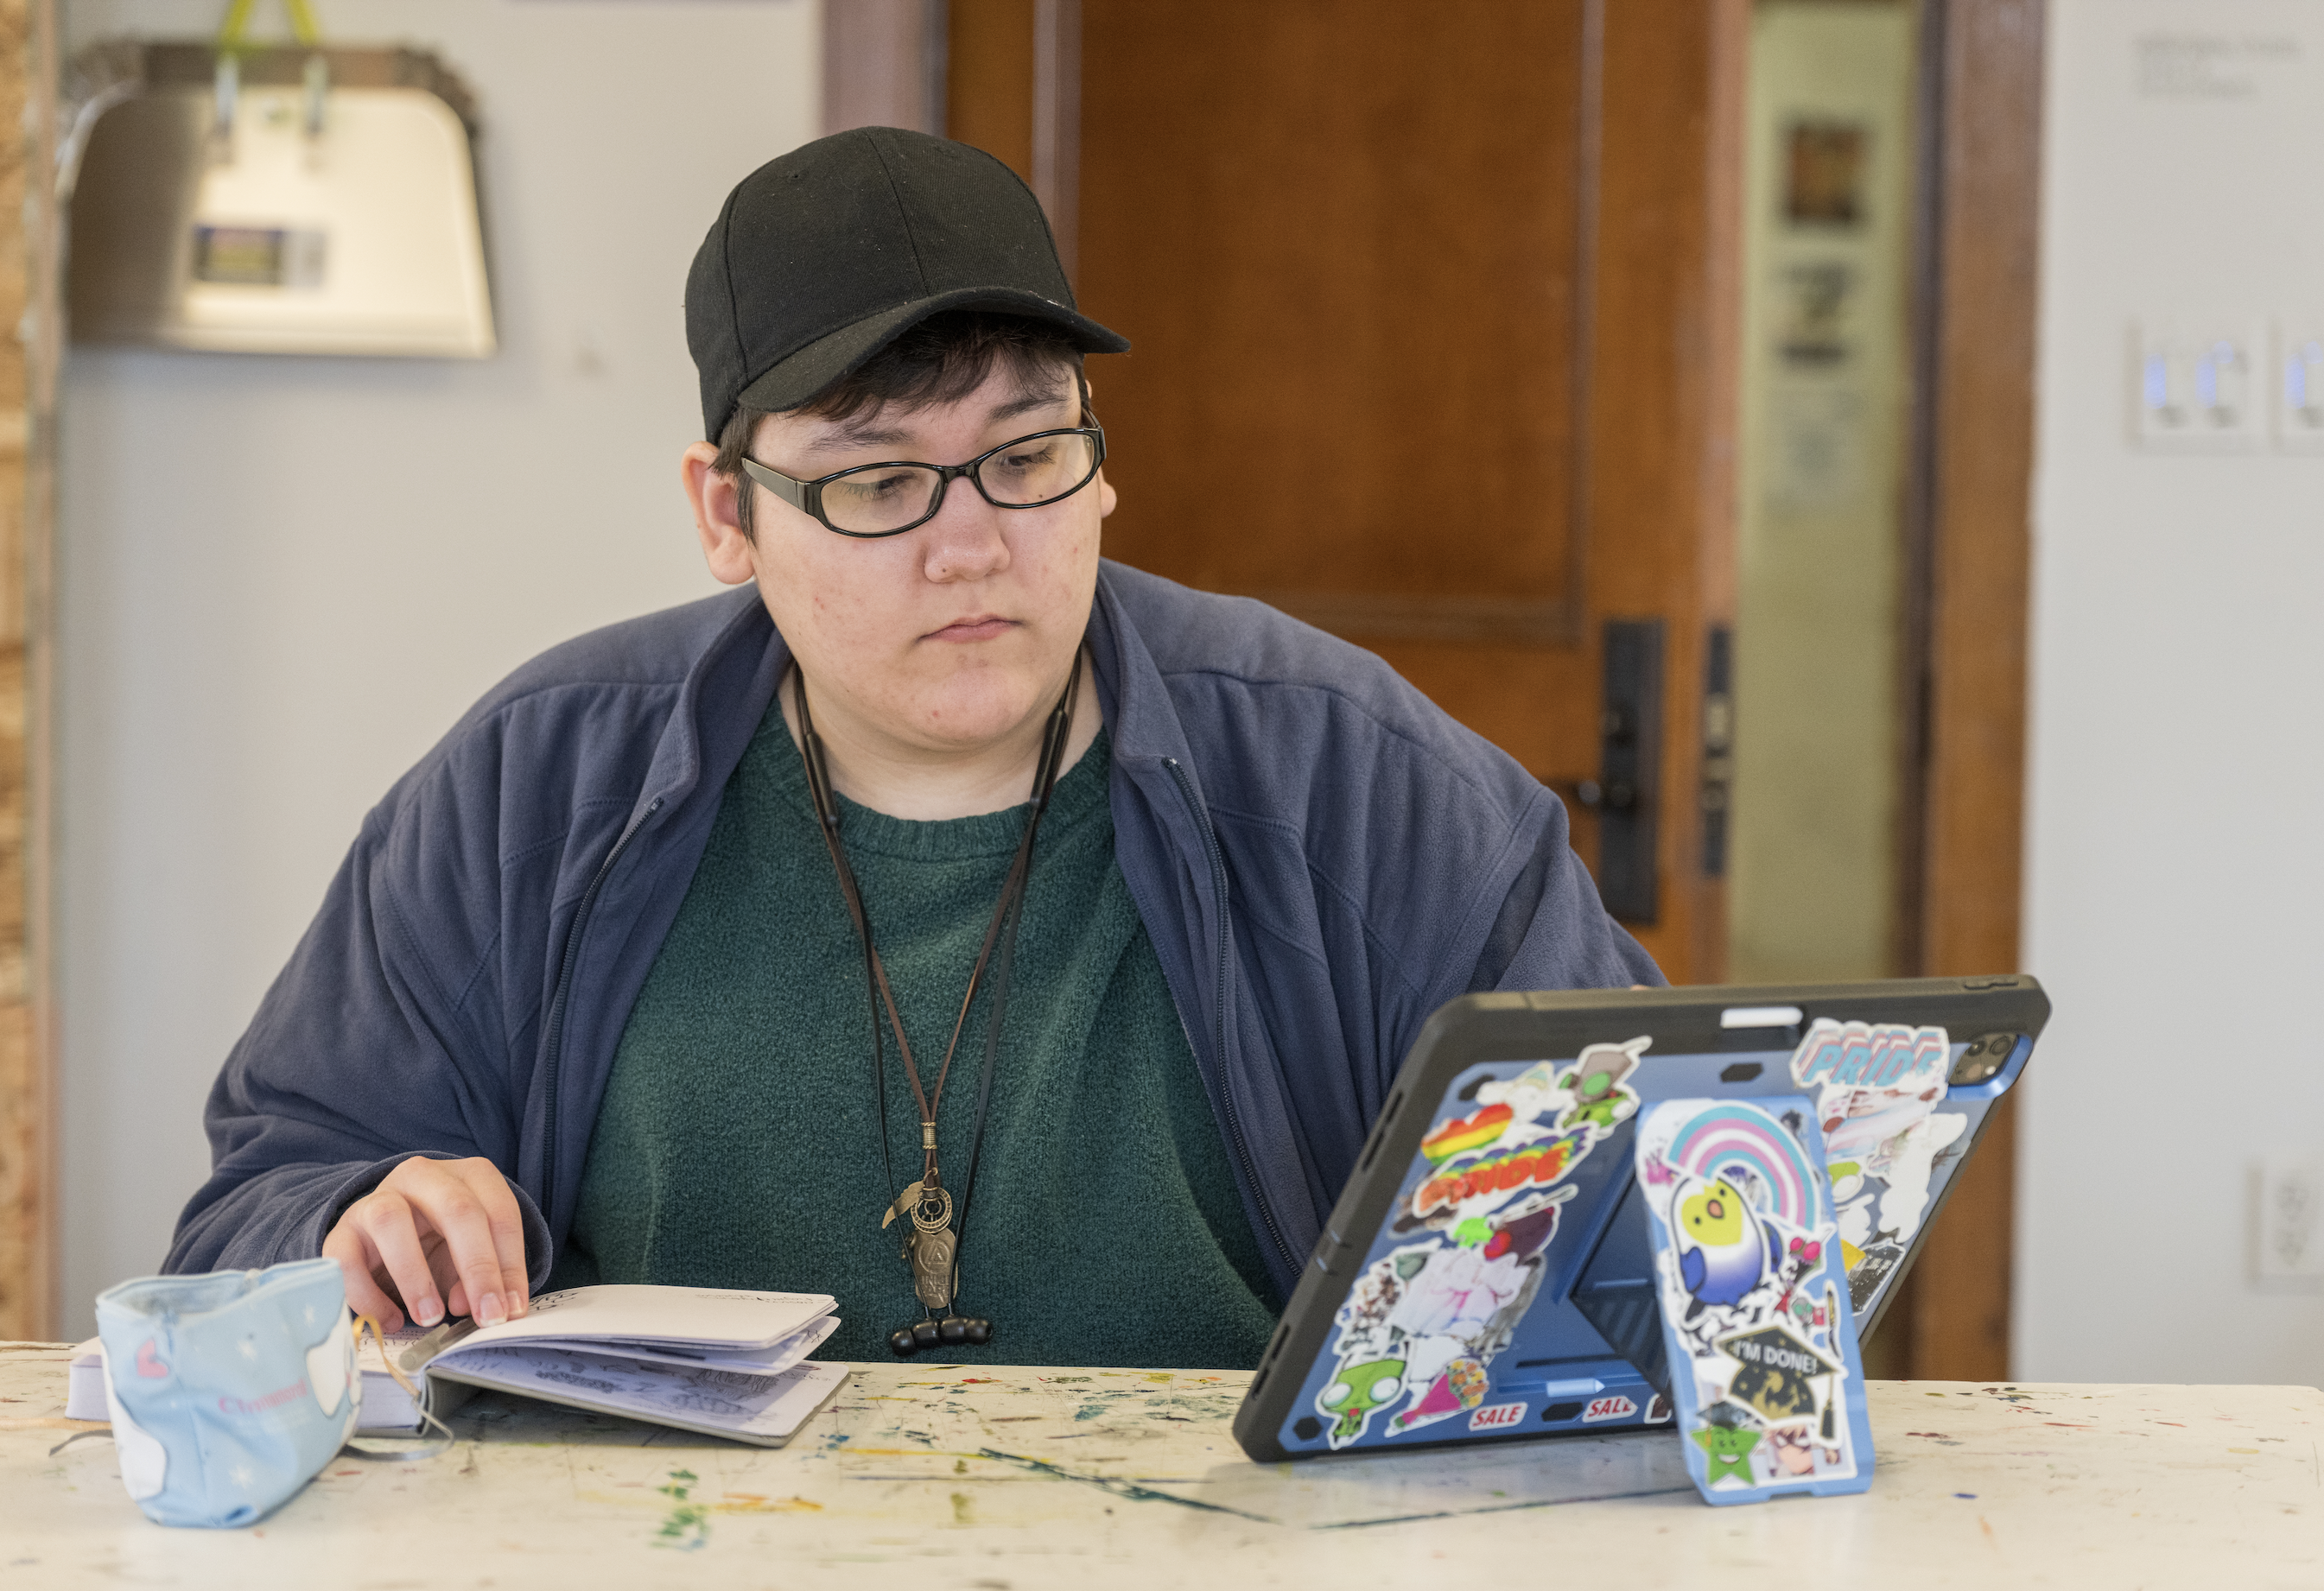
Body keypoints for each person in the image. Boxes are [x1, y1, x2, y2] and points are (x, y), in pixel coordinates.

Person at [167, 127, 1658, 1367]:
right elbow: (255, 1203)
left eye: (1024, 457)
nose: (972, 548)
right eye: (876, 482)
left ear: (1098, 463)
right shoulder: (537, 786)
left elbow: (1659, 1194)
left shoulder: (1354, 779)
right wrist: (359, 1214)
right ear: (723, 514)